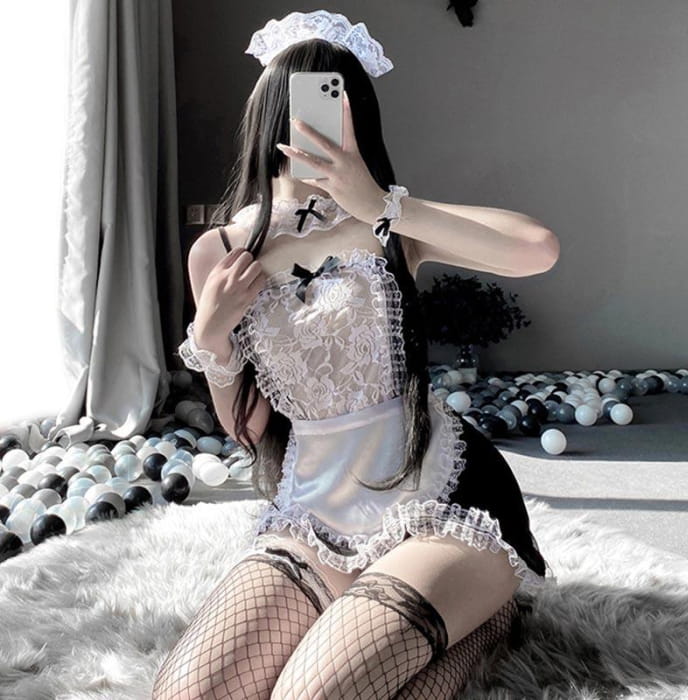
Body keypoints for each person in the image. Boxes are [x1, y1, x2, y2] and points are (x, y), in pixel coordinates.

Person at [153, 9, 560, 700]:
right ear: (271, 113)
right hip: (313, 514)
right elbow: (249, 430)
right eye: (304, 99)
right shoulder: (218, 251)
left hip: (440, 506)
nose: (316, 119)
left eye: (334, 100)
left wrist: (382, 204)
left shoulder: (390, 225)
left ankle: (486, 620)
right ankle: (433, 625)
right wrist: (213, 335)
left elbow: (538, 248)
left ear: (359, 117)